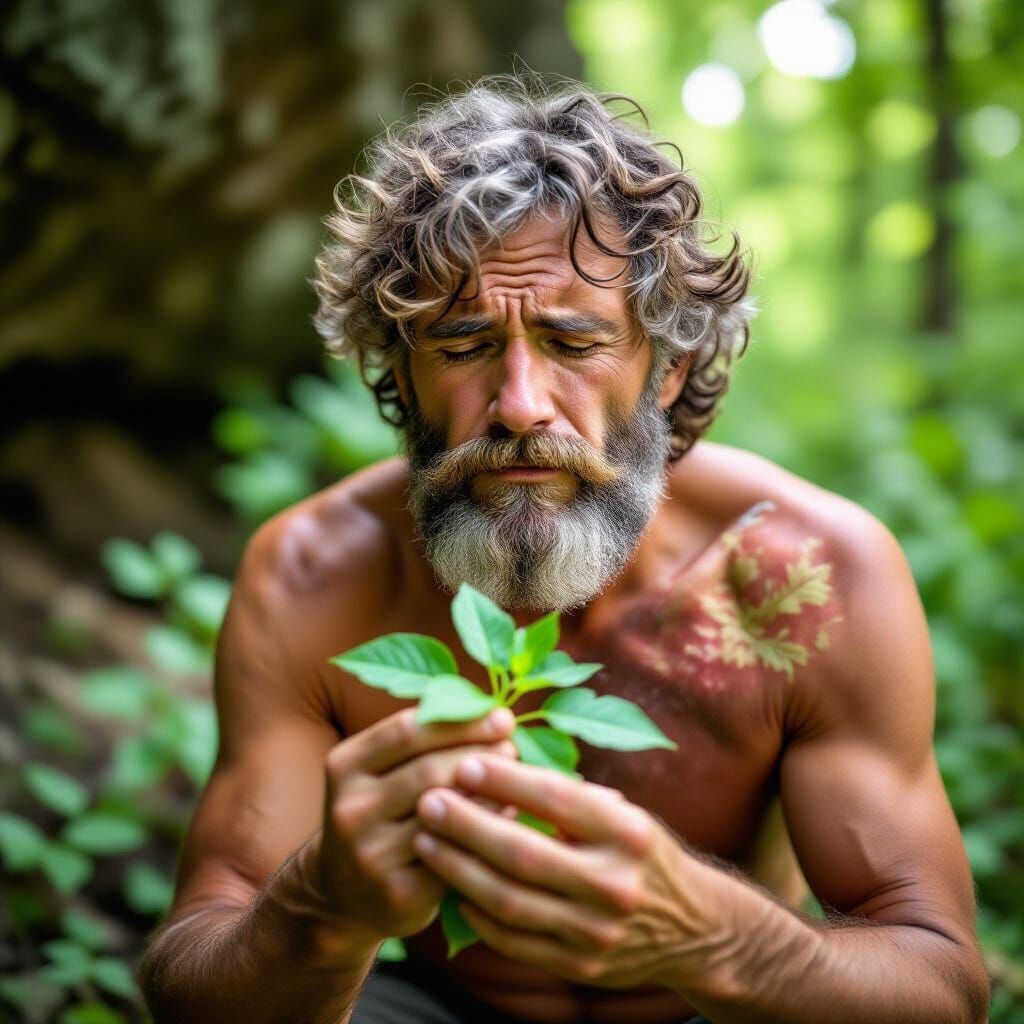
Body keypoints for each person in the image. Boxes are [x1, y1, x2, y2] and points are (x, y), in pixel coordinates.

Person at [137, 72, 989, 1024]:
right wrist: (320, 908)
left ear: (664, 372)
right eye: (461, 347)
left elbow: (943, 991)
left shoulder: (808, 578)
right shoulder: (312, 578)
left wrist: (712, 933)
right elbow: (195, 979)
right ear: (401, 374)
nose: (519, 406)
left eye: (573, 344)